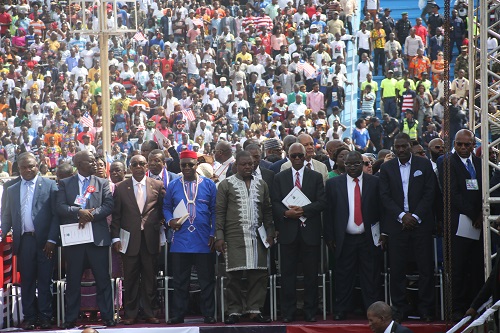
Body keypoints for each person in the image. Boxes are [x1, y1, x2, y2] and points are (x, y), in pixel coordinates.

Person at [379, 133, 436, 322]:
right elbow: (384, 196)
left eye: (404, 146)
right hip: (398, 226)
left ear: (410, 146)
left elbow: (430, 193)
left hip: (421, 225)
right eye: (397, 147)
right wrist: (403, 216)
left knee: (425, 268)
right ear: (393, 147)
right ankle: (400, 309)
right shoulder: (387, 168)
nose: (401, 150)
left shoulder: (424, 165)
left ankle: (426, 309)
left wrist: (416, 216)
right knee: (397, 269)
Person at [56, 151, 116, 329]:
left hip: (97, 240)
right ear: (79, 163)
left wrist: (90, 215)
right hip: (75, 240)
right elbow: (60, 207)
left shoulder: (102, 182)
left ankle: (107, 316)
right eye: (91, 161)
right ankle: (71, 318)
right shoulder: (65, 184)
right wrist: (78, 212)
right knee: (73, 280)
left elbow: (108, 205)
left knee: (103, 279)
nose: (95, 164)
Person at [215, 150, 274, 324]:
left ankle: (254, 310)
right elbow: (219, 212)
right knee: (233, 276)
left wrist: (270, 232)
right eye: (244, 164)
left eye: (250, 163)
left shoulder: (261, 184)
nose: (248, 166)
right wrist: (219, 236)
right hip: (234, 237)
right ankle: (234, 311)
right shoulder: (226, 184)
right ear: (236, 166)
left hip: (257, 237)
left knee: (258, 274)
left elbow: (268, 210)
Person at [1, 152, 58, 330]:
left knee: (45, 281)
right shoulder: (11, 189)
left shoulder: (50, 185)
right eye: (24, 167)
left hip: (45, 242)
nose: (28, 170)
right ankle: (30, 317)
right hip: (24, 242)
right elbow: (7, 216)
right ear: (18, 168)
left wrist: (51, 239)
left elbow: (56, 216)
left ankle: (45, 316)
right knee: (27, 281)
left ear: (37, 165)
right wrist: (2, 234)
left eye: (31, 166)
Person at [324, 151, 383, 320]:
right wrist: (329, 237)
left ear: (362, 164)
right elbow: (328, 213)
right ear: (344, 165)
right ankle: (341, 309)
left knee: (370, 276)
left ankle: (371, 312)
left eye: (356, 164)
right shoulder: (333, 184)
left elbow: (381, 210)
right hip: (345, 238)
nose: (352, 167)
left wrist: (383, 233)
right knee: (343, 275)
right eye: (349, 164)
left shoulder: (375, 182)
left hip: (368, 238)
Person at [273, 142, 325, 323]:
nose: (297, 159)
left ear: (306, 156)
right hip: (288, 233)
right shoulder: (280, 177)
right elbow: (275, 202)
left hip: (310, 233)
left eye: (300, 156)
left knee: (311, 275)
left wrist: (304, 211)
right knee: (287, 276)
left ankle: (310, 311)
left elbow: (322, 202)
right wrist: (286, 213)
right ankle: (288, 312)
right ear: (288, 156)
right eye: (293, 155)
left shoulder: (316, 176)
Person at [163, 150, 217, 324]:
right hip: (180, 240)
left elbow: (216, 211)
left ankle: (209, 314)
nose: (187, 168)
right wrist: (170, 220)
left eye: (190, 165)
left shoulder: (209, 185)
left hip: (203, 239)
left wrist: (213, 232)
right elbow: (166, 207)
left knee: (206, 281)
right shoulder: (173, 185)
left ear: (196, 165)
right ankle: (178, 315)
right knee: (180, 281)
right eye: (183, 165)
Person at [110, 154, 164, 325]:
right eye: (135, 164)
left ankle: (149, 312)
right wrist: (115, 238)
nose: (139, 167)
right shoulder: (120, 187)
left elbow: (162, 210)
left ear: (147, 166)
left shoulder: (157, 185)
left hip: (150, 239)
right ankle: (131, 314)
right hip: (128, 241)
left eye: (142, 164)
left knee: (150, 278)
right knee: (131, 279)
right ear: (130, 168)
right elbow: (116, 216)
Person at [437, 129, 484, 321]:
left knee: (477, 267)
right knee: (458, 268)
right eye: (459, 144)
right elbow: (452, 194)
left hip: (479, 225)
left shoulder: (481, 163)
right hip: (458, 224)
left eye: (467, 144)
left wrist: (482, 214)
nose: (463, 148)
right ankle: (457, 308)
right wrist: (474, 215)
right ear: (454, 144)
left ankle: (476, 305)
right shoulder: (447, 162)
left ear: (474, 145)